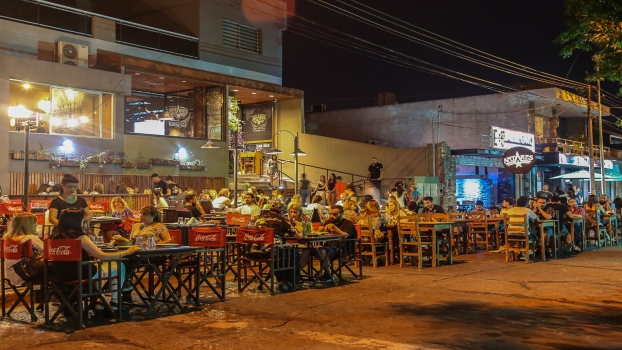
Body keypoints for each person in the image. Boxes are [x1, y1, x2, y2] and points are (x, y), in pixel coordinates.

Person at [50, 208, 139, 305]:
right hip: (81, 274)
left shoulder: (53, 237)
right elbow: (103, 256)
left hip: (59, 275)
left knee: (96, 266)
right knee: (119, 266)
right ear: (77, 222)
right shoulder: (80, 237)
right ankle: (115, 302)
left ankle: (99, 303)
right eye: (83, 220)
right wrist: (127, 251)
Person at [254, 199, 301, 291]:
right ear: (282, 211)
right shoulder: (281, 219)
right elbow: (298, 236)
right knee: (295, 254)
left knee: (281, 255)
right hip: (272, 252)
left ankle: (281, 280)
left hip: (255, 252)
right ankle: (289, 282)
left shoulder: (259, 219)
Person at [316, 205, 357, 281]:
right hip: (328, 246)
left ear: (342, 214)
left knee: (322, 251)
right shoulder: (328, 222)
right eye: (331, 214)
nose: (332, 216)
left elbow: (345, 236)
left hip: (343, 247)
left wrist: (334, 228)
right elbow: (320, 233)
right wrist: (320, 230)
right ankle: (296, 276)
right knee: (309, 250)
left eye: (335, 214)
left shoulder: (348, 223)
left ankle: (327, 274)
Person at [3, 213, 45, 286]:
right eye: (34, 223)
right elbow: (48, 251)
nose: (36, 225)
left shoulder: (6, 239)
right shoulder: (29, 237)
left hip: (10, 276)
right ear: (27, 225)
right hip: (27, 275)